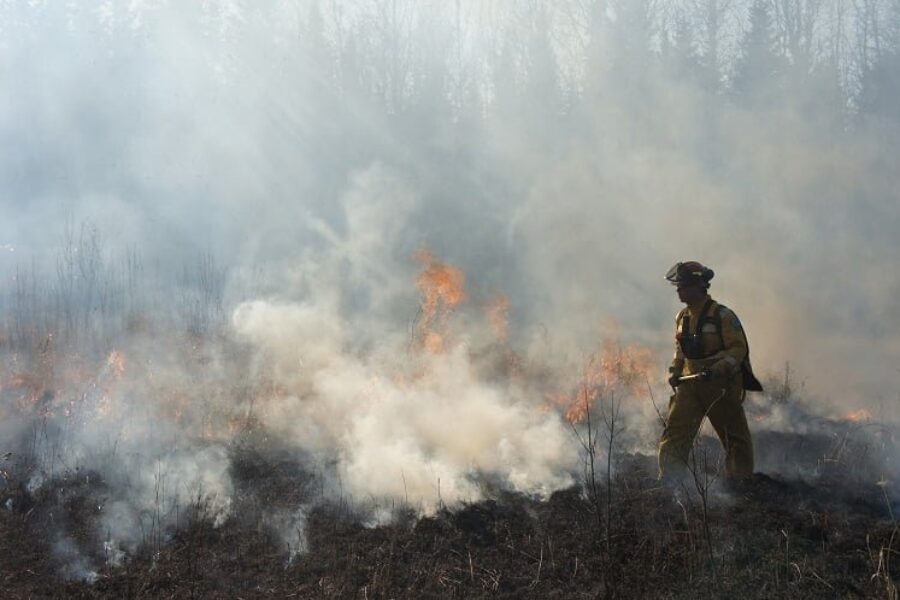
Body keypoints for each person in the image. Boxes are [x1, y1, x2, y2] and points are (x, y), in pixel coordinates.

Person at [658, 261, 762, 482]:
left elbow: (738, 348)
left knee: (733, 436)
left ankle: (740, 481)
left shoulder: (722, 315)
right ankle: (670, 481)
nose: (679, 290)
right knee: (675, 432)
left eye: (684, 286)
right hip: (689, 383)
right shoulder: (682, 318)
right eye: (678, 286)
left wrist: (718, 369)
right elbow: (680, 349)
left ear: (699, 286)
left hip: (720, 385)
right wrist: (675, 370)